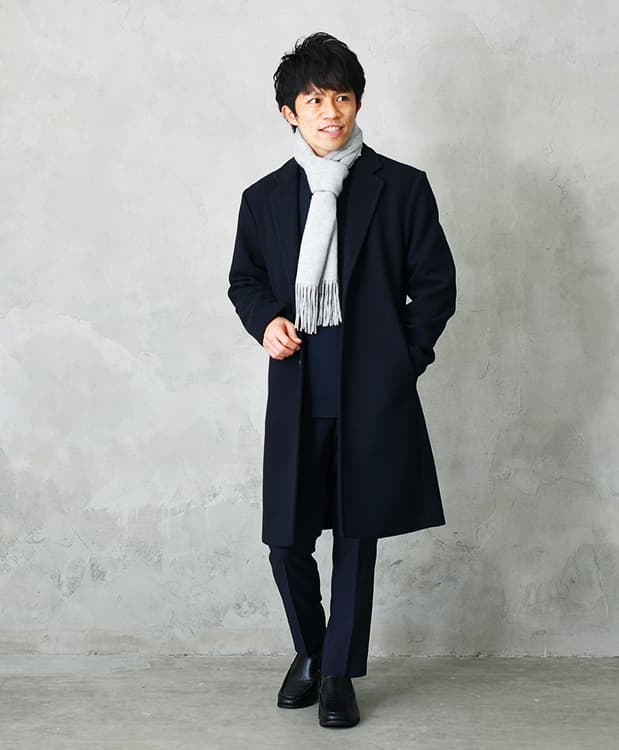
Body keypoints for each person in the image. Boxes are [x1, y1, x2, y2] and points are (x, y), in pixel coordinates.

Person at [227, 32, 456, 729]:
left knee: (357, 539)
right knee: (286, 540)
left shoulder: (401, 188)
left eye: (343, 97)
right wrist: (266, 321)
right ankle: (312, 648)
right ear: (289, 113)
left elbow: (435, 287)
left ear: (358, 104)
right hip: (298, 393)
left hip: (369, 397)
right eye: (314, 100)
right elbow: (245, 281)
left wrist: (400, 362)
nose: (331, 112)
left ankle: (335, 675)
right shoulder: (265, 198)